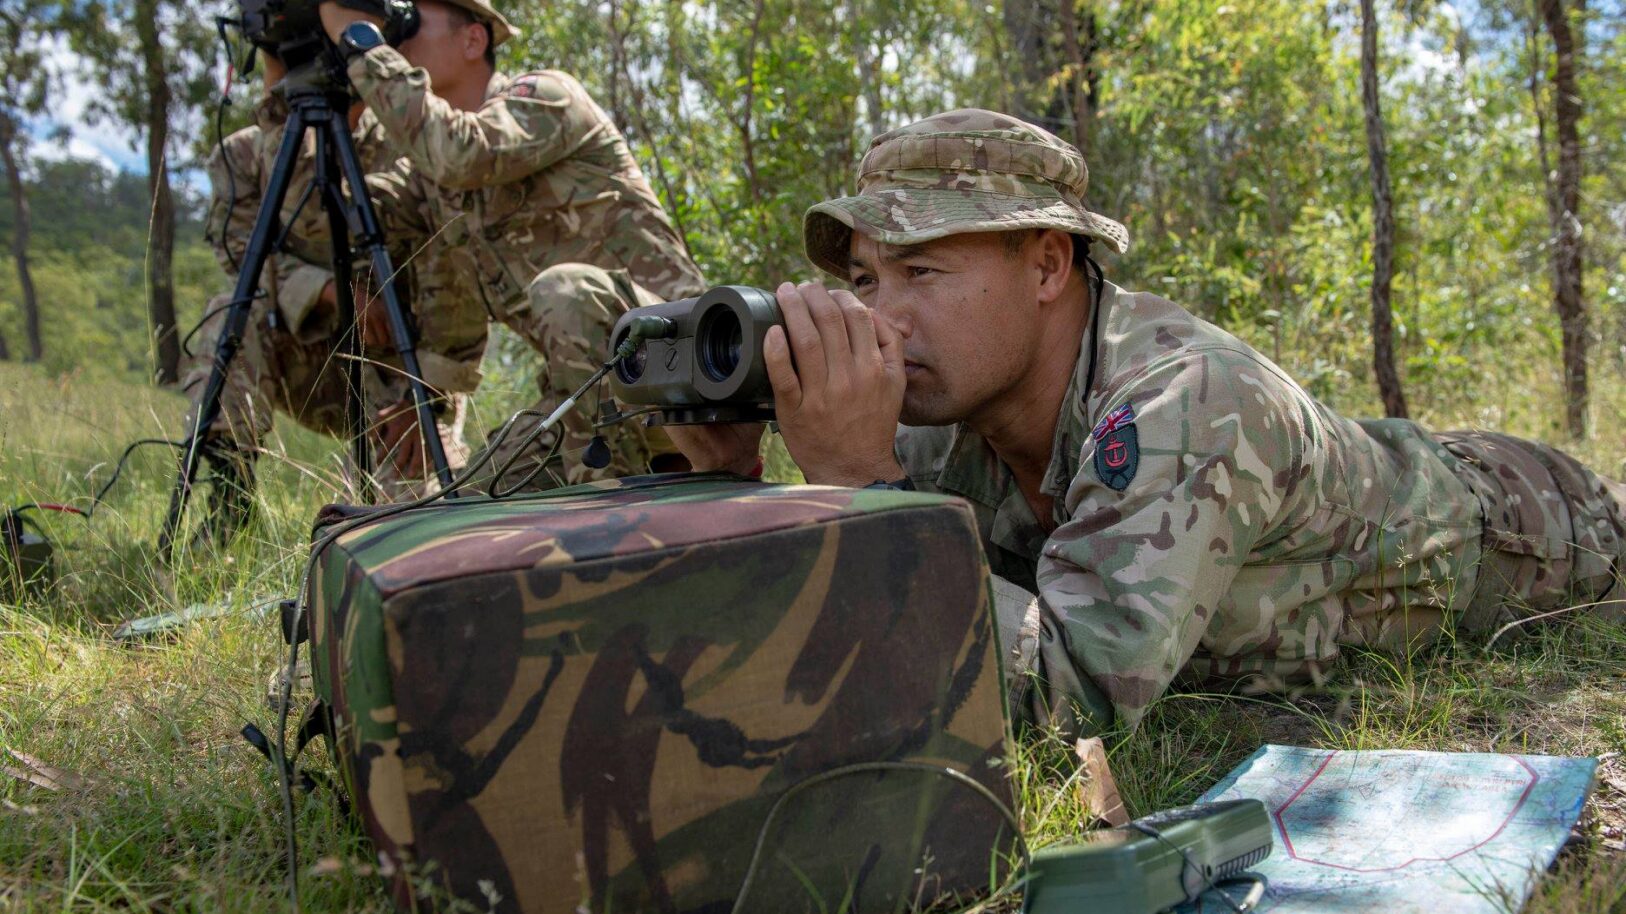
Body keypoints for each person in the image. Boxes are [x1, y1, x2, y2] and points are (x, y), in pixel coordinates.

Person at [668, 109, 1626, 739]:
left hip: (1536, 524)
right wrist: (741, 489)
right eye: (868, 281)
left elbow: (1068, 703)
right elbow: (880, 644)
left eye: (922, 273)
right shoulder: (929, 421)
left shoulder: (1188, 399)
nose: (884, 316)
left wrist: (859, 496)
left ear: (1048, 267)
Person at [316, 0, 707, 490]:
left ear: (473, 40)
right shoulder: (430, 180)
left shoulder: (544, 97)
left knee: (566, 291)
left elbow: (461, 150)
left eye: (410, 24)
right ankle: (652, 492)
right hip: (585, 392)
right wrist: (316, 106)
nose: (397, 39)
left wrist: (362, 42)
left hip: (682, 356)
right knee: (472, 506)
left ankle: (618, 526)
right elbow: (334, 218)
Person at [179, 63, 487, 543]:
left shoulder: (402, 140)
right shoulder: (243, 155)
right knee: (229, 313)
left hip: (397, 364)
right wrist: (330, 290)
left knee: (407, 531)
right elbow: (242, 260)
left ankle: (424, 462)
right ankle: (230, 494)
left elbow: (445, 261)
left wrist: (423, 394)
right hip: (302, 355)